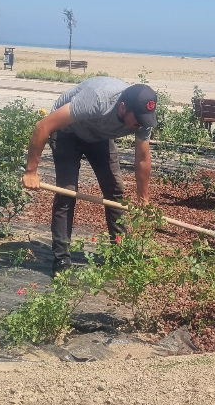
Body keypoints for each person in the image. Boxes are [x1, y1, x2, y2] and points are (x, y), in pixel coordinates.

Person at [22, 77, 158, 274]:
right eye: (137, 120)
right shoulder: (97, 99)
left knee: (115, 191)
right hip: (67, 132)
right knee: (67, 192)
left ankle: (120, 251)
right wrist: (31, 171)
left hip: (100, 137)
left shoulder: (143, 116)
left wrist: (143, 198)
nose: (141, 124)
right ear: (122, 107)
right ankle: (62, 258)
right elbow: (42, 126)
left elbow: (143, 159)